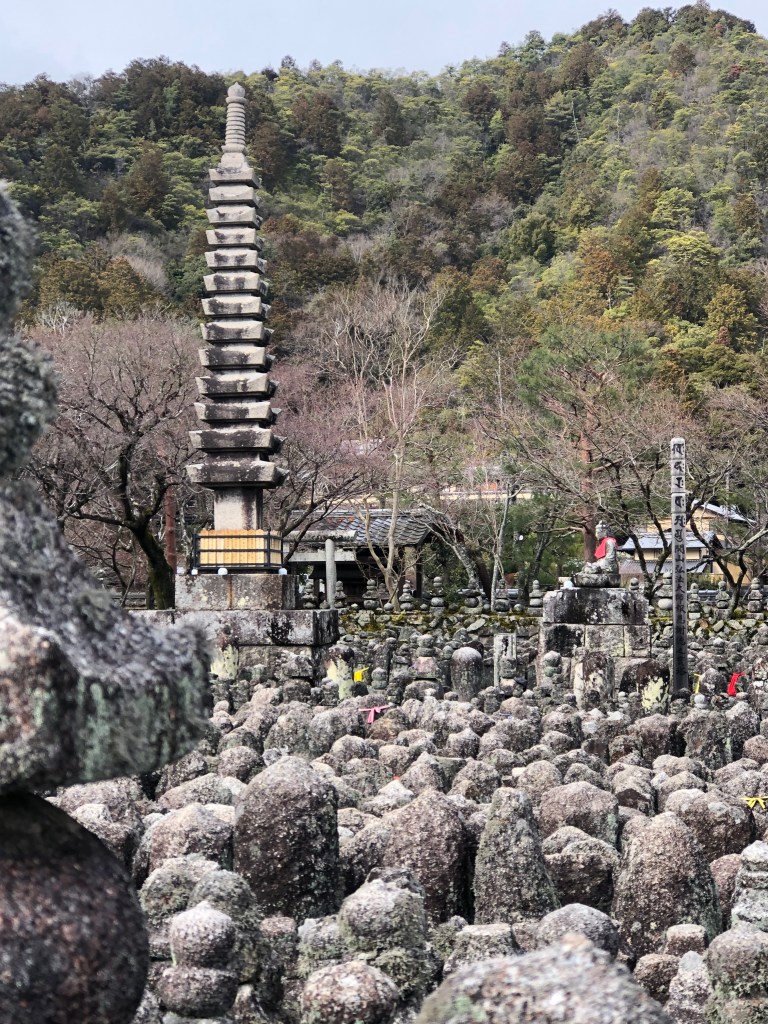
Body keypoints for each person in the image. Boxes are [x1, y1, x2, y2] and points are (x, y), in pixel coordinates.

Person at [572, 520, 619, 587]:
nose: (596, 534)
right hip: (602, 565)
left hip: (610, 568)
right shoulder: (602, 542)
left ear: (604, 532)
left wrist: (596, 565)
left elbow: (610, 560)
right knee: (586, 569)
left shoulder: (610, 542)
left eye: (598, 532)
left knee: (590, 572)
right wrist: (594, 565)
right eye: (596, 532)